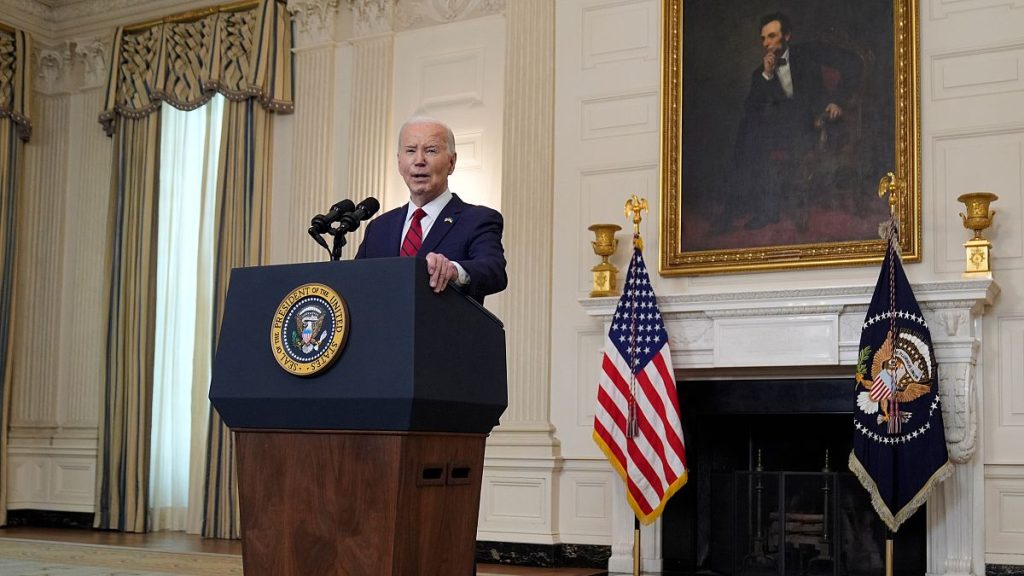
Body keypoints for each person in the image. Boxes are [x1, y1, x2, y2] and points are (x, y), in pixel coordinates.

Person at [355, 116, 507, 304]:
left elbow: (493, 271)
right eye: (410, 150)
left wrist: (453, 271)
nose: (419, 160)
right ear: (399, 162)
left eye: (431, 150)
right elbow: (356, 285)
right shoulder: (379, 228)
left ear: (451, 163)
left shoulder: (478, 219)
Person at [732, 11, 861, 231]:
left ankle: (757, 208)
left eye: (772, 36)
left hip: (815, 124)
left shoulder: (809, 53)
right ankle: (763, 209)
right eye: (763, 38)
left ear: (787, 36)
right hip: (782, 131)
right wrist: (767, 76)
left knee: (755, 134)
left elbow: (853, 62)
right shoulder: (760, 73)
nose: (766, 43)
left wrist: (836, 100)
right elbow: (750, 109)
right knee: (750, 129)